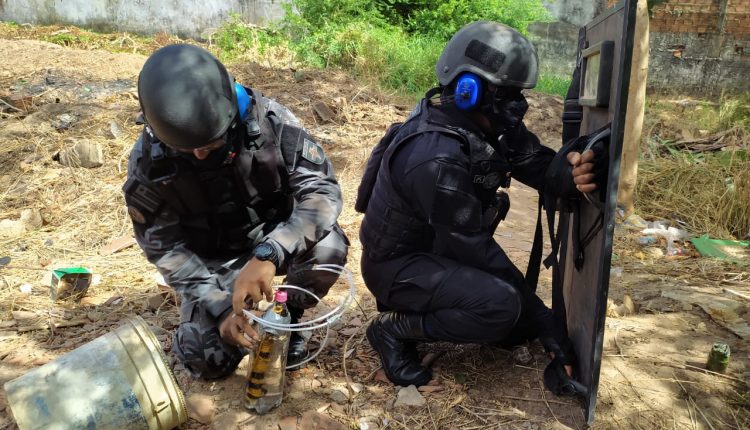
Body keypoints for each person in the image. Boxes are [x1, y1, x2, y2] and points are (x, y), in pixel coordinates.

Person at [356, 21, 603, 387]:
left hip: (437, 252)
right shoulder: (434, 155)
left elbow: (536, 163)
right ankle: (393, 328)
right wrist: (546, 323)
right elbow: (475, 248)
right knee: (503, 306)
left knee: (515, 323)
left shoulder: (486, 123)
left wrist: (574, 172)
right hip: (396, 268)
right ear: (468, 89)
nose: (519, 104)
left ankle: (443, 306)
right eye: (509, 93)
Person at [124, 44, 349, 379]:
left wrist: (271, 253)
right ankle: (240, 322)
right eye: (188, 149)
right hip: (213, 263)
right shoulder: (148, 163)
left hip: (274, 239)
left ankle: (286, 318)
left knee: (329, 247)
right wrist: (218, 310)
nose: (200, 155)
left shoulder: (270, 121)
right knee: (204, 358)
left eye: (210, 144)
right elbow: (163, 246)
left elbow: (322, 194)